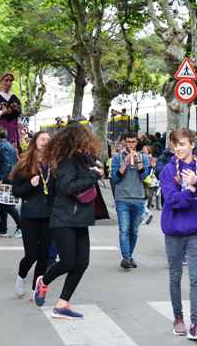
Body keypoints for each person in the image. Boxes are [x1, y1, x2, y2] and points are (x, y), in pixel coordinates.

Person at [33, 123, 103, 319]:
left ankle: (62, 304)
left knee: (82, 262)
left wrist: (96, 171)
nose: (89, 143)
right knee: (68, 262)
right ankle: (44, 282)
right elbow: (67, 187)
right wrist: (92, 176)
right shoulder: (66, 160)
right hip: (63, 218)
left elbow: (90, 177)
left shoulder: (85, 158)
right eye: (85, 139)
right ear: (77, 140)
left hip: (81, 218)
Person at [159, 128, 197, 340]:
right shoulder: (167, 170)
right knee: (175, 276)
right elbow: (172, 200)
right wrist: (191, 193)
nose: (178, 148)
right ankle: (178, 318)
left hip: (196, 232)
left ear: (192, 144)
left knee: (196, 278)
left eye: (182, 144)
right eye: (175, 145)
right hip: (174, 231)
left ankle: (195, 323)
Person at [12, 131, 54, 296]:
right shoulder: (24, 164)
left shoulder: (54, 163)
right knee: (31, 254)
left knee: (44, 255)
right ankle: (21, 277)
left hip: (49, 215)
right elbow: (17, 191)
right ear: (35, 142)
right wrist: (30, 184)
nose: (45, 142)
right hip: (30, 215)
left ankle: (35, 289)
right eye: (42, 139)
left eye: (48, 140)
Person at [110, 132, 150, 270]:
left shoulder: (144, 157)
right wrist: (125, 164)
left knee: (134, 231)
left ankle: (129, 256)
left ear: (137, 142)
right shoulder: (117, 157)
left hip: (138, 198)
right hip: (122, 199)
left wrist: (138, 161)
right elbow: (115, 178)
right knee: (124, 230)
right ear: (124, 143)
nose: (131, 144)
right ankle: (126, 258)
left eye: (133, 142)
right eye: (128, 142)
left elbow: (144, 176)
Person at [0, 129, 21, 238]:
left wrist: (0, 179)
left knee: (7, 205)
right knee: (2, 204)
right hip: (10, 177)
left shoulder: (2, 146)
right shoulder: (9, 145)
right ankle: (2, 228)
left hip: (7, 178)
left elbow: (6, 163)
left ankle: (21, 226)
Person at [0, 73, 23, 151]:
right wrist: (1, 113)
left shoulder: (14, 98)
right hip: (0, 128)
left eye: (11, 81)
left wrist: (13, 111)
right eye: (6, 80)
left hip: (13, 129)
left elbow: (19, 111)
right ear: (1, 81)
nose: (8, 83)